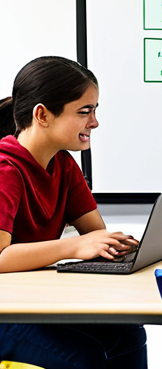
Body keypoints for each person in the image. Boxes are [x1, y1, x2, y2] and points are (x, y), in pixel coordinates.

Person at [0, 56, 145, 368]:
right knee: (84, 357)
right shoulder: (5, 169)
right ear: (42, 114)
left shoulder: (63, 164)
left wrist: (115, 245)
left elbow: (94, 234)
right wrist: (73, 246)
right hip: (4, 312)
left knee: (128, 335)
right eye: (84, 112)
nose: (94, 122)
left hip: (34, 303)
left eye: (94, 111)